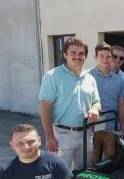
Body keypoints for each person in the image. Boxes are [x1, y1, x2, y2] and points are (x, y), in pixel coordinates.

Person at [39, 36, 101, 170]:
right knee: (59, 177)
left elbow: (96, 101)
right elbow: (45, 107)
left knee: (83, 175)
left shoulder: (90, 78)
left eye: (81, 53)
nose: (78, 57)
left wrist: (95, 109)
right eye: (73, 53)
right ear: (65, 54)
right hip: (62, 136)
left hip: (86, 135)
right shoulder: (52, 76)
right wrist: (49, 136)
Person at [89, 42, 124, 165]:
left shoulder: (119, 80)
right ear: (95, 57)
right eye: (101, 56)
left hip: (111, 126)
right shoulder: (86, 76)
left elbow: (122, 105)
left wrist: (122, 127)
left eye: (108, 56)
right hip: (91, 128)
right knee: (91, 161)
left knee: (109, 161)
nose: (105, 60)